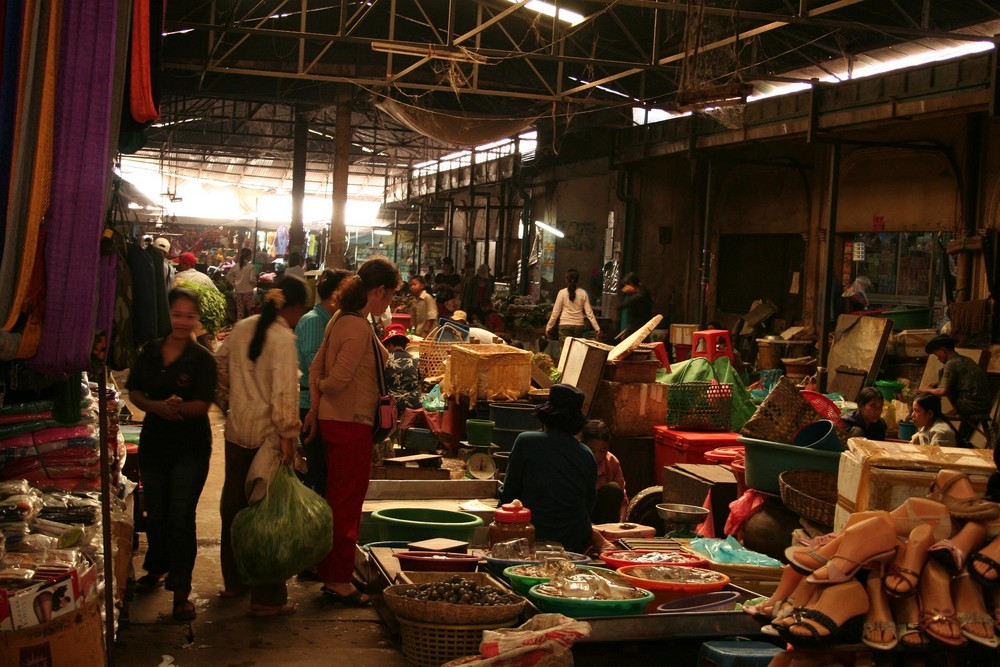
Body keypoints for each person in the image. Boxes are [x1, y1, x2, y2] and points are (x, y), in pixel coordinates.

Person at [305, 256, 401, 606]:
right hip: (351, 422)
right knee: (346, 504)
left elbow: (316, 367)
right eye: (390, 295)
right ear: (379, 291)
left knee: (336, 500)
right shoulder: (358, 326)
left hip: (335, 420)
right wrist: (326, 387)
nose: (390, 303)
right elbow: (336, 378)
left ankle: (331, 569)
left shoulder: (340, 319)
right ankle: (338, 580)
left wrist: (316, 407)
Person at [215, 277, 308, 616]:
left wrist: (231, 399)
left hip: (237, 430)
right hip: (268, 440)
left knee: (234, 507)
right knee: (268, 517)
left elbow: (220, 366)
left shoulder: (241, 328)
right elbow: (285, 394)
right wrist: (288, 436)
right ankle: (266, 599)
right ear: (294, 308)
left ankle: (234, 582)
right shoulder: (283, 338)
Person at [126, 288, 217, 621]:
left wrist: (177, 409)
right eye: (176, 314)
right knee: (157, 512)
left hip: (190, 447)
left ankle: (181, 590)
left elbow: (203, 404)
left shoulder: (202, 359)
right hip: (154, 443)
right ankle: (156, 568)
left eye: (188, 315)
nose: (182, 321)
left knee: (180, 516)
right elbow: (134, 390)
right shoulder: (150, 351)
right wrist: (155, 407)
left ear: (197, 319)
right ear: (168, 315)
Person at [499, 384, 597, 554]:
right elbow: (588, 504)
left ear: (545, 417)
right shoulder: (586, 453)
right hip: (575, 538)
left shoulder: (526, 441)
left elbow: (509, 494)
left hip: (534, 534)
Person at [295, 269, 351, 495]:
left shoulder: (332, 320)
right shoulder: (314, 322)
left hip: (322, 403)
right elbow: (314, 370)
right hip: (310, 404)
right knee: (319, 470)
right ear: (339, 293)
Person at [918, 334, 993, 447]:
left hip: (970, 405)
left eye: (937, 354)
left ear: (943, 351)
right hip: (982, 403)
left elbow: (943, 391)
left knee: (934, 410)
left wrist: (925, 389)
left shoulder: (951, 364)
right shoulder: (965, 360)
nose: (937, 358)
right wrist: (939, 383)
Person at [581, 419, 628, 524]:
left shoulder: (612, 462)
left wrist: (620, 525)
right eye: (592, 450)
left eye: (602, 451)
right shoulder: (575, 462)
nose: (597, 456)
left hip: (601, 517)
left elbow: (623, 502)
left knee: (613, 488)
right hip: (578, 514)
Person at [544, 269, 601, 343]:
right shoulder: (583, 293)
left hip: (564, 325)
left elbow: (555, 312)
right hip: (578, 326)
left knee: (564, 351)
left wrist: (549, 327)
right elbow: (589, 313)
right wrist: (597, 328)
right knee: (575, 351)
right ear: (578, 280)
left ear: (566, 280)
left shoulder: (562, 293)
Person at [382, 324, 421, 414]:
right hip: (414, 405)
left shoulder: (385, 360)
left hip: (394, 405)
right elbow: (418, 381)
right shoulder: (414, 359)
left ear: (390, 343)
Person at [617, 272, 653, 337]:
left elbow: (619, 306)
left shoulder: (637, 297)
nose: (625, 288)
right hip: (643, 328)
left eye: (626, 285)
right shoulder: (644, 293)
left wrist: (623, 293)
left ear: (631, 284)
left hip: (636, 329)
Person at [227, 247, 258, 320]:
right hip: (248, 292)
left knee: (240, 313)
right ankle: (250, 328)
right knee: (251, 313)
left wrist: (234, 283)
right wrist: (254, 284)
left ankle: (239, 328)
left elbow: (228, 276)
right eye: (251, 255)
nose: (251, 256)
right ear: (248, 256)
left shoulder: (236, 266)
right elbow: (252, 279)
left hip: (238, 292)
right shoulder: (251, 267)